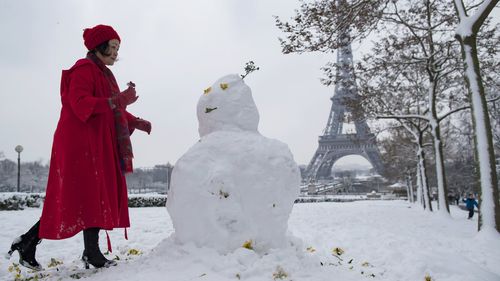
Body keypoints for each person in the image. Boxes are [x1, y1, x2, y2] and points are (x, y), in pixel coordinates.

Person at [6, 24, 152, 270]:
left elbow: (110, 111)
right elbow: (81, 103)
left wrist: (133, 119)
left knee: (88, 197)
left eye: (118, 48)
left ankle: (33, 244)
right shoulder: (84, 69)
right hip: (79, 144)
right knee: (80, 197)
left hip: (95, 142)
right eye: (113, 47)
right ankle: (86, 253)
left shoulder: (104, 74)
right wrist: (120, 100)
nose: (116, 52)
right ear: (99, 46)